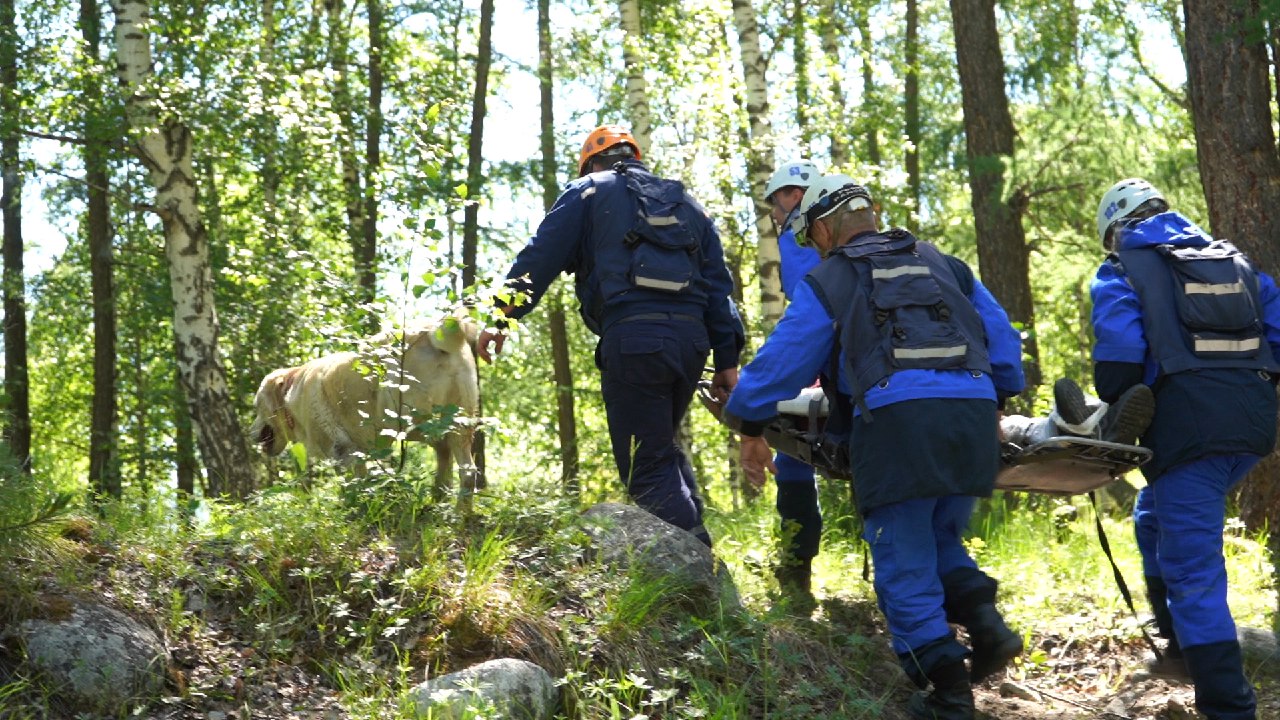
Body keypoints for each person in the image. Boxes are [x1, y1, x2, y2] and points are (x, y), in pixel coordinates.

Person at [722, 174, 1025, 720]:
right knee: (938, 536)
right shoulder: (942, 262)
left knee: (902, 557)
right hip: (974, 416)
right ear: (871, 213)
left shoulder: (831, 278)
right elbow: (1000, 334)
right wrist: (999, 396)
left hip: (899, 424)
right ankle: (988, 627)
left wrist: (748, 424)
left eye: (811, 237)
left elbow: (784, 360)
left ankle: (948, 697)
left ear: (822, 227)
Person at [475, 125, 744, 548]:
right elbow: (717, 287)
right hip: (692, 345)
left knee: (648, 468)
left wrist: (501, 317)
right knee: (660, 450)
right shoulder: (687, 203)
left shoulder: (587, 192)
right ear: (634, 157)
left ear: (592, 163)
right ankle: (698, 568)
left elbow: (540, 256)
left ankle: (698, 577)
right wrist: (727, 363)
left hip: (634, 340)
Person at [1091, 178, 1280, 720]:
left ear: (1118, 229)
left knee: (1193, 571)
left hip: (1187, 432)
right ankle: (1177, 647)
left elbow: (1119, 369)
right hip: (1249, 428)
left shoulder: (1123, 268)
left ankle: (1228, 706)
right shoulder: (1237, 264)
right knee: (1152, 517)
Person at [759, 159, 825, 602]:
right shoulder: (853, 228)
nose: (777, 217)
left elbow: (810, 312)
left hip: (823, 361)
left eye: (778, 206)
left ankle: (797, 567)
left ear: (793, 196)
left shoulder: (798, 234)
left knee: (792, 447)